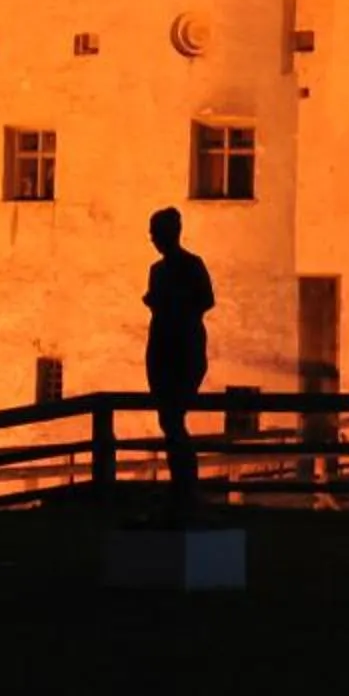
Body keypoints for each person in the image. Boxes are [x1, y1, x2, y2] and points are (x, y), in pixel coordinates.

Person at [142, 207, 215, 522]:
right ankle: (183, 490)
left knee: (173, 422)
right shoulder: (160, 270)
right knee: (170, 422)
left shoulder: (188, 266)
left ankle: (185, 490)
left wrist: (173, 303)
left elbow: (205, 300)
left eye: (156, 232)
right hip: (164, 348)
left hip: (180, 348)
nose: (153, 239)